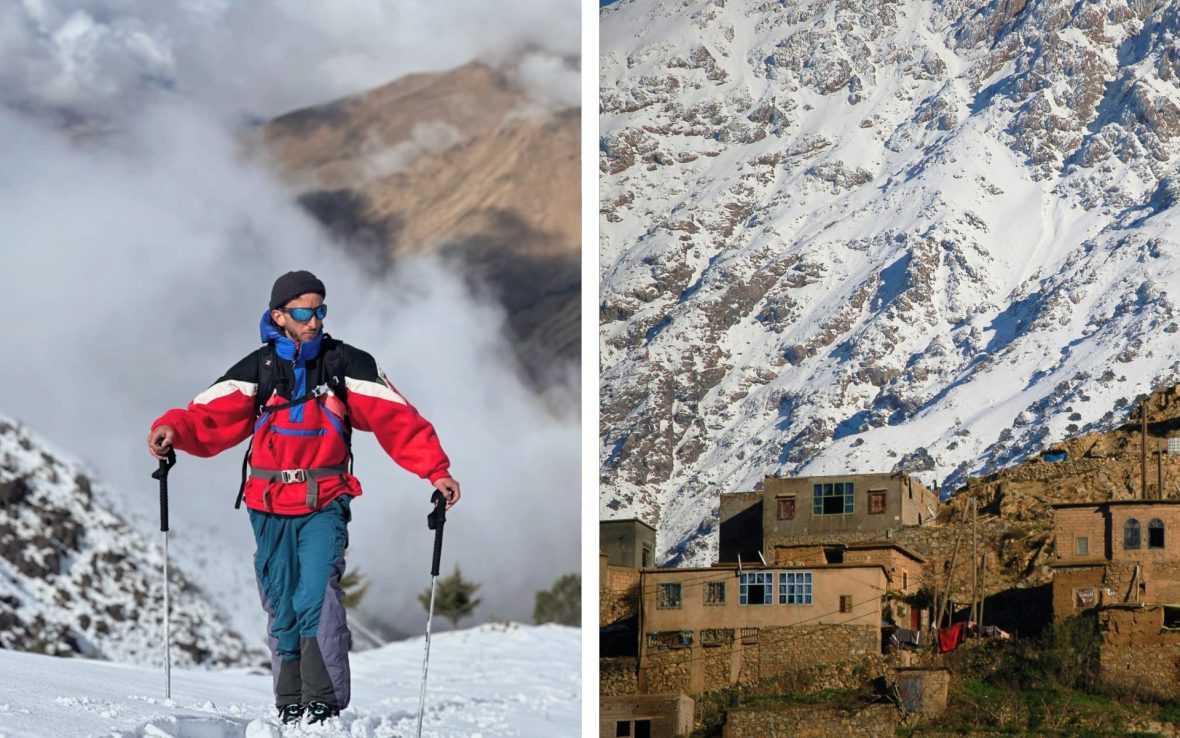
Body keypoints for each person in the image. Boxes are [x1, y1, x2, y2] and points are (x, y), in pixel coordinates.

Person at [146, 269, 460, 725]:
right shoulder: (257, 369)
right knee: (281, 600)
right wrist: (170, 429)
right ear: (279, 315)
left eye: (320, 311)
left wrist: (436, 471)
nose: (314, 320)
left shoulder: (346, 364)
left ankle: (323, 698)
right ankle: (289, 699)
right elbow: (206, 415)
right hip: (267, 504)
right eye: (303, 312)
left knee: (317, 593)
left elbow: (398, 418)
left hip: (324, 500)